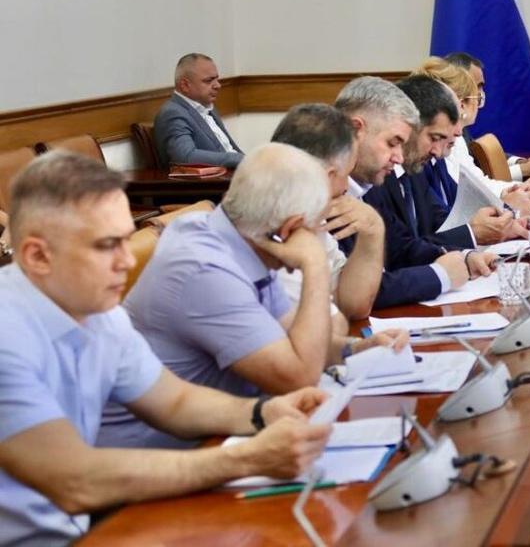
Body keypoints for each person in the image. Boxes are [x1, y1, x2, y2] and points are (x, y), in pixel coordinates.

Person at [0, 152, 331, 544]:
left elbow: (174, 402)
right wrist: (245, 458)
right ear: (38, 256)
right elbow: (75, 481)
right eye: (107, 246)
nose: (127, 261)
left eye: (126, 240)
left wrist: (261, 412)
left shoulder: (100, 312)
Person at [100, 144, 407, 449]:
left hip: (222, 434)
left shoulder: (240, 236)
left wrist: (355, 348)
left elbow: (292, 338)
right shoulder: (204, 268)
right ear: (290, 229)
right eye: (317, 229)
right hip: (159, 456)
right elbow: (300, 376)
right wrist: (314, 265)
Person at [333, 76, 495, 306]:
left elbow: (400, 247)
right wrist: (440, 275)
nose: (399, 157)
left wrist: (462, 258)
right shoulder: (319, 195)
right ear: (356, 129)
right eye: (392, 143)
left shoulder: (367, 184)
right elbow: (354, 293)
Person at [270, 103, 388, 320]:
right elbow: (326, 327)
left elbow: (354, 305)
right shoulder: (272, 225)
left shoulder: (310, 214)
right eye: (347, 174)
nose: (346, 187)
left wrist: (373, 230)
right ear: (328, 176)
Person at [413, 57, 530, 212]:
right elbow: (455, 207)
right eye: (476, 91)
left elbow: (476, 185)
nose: (480, 97)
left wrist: (516, 191)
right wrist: (507, 204)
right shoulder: (421, 159)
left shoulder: (451, 143)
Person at [444, 51, 530, 193]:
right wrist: (524, 177)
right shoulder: (446, 138)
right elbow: (472, 185)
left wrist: (520, 165)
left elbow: (478, 174)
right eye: (477, 86)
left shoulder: (459, 133)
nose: (481, 94)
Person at [153, 53, 243, 168]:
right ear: (185, 85)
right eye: (209, 81)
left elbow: (228, 149)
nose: (218, 85)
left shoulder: (208, 108)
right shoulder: (172, 113)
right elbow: (185, 156)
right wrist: (236, 159)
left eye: (217, 79)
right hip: (217, 178)